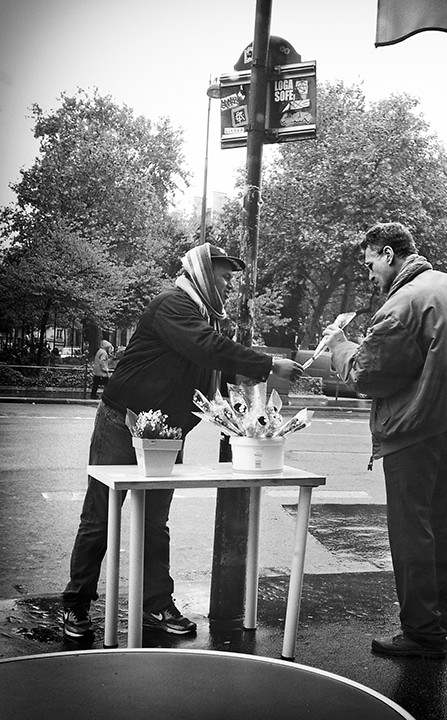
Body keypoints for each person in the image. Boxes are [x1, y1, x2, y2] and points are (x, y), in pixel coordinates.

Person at [62, 243, 303, 640]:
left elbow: (211, 365)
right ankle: (75, 606)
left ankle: (155, 605)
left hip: (167, 435)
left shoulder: (204, 316)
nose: (229, 285)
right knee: (100, 518)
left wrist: (244, 400)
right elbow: (204, 347)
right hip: (124, 422)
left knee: (155, 523)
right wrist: (267, 364)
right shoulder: (173, 304)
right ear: (205, 273)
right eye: (224, 276)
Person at [323, 222, 447, 658]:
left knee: (411, 530)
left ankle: (422, 632)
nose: (369, 273)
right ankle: (436, 619)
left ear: (389, 254)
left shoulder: (401, 304)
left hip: (413, 427)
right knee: (436, 524)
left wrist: (340, 346)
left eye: (370, 262)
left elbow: (369, 374)